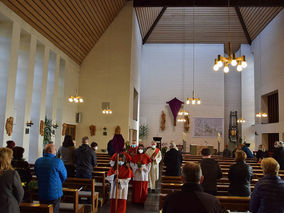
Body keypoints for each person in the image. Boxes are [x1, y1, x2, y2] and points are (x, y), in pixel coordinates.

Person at [35, 144, 67, 213]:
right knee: (54, 210)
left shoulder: (38, 161)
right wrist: (57, 182)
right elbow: (64, 176)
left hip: (42, 191)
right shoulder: (58, 161)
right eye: (55, 150)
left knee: (43, 210)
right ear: (52, 151)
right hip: (55, 192)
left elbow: (37, 174)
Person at [0, 148, 24, 213]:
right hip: (9, 207)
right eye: (10, 158)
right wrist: (15, 203)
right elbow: (20, 193)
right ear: (7, 159)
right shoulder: (12, 173)